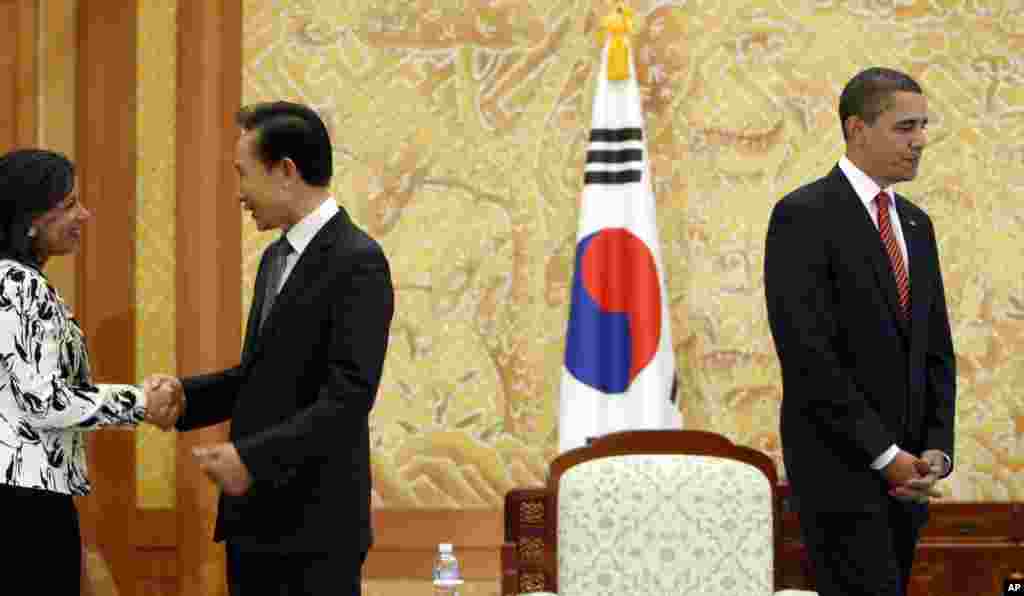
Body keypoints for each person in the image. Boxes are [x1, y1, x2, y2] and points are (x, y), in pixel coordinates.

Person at [154, 101, 394, 596]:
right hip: (254, 525)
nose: (239, 194)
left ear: (286, 171)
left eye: (243, 175)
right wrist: (186, 397)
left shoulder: (358, 261)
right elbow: (261, 375)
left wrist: (253, 459)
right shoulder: (273, 259)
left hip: (314, 532)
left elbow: (347, 397)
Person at [764, 67, 957, 596]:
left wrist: (936, 451)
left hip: (911, 482)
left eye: (923, 126)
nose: (920, 141)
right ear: (857, 128)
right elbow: (809, 358)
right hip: (840, 472)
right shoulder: (803, 215)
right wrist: (885, 456)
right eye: (904, 127)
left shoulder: (916, 223)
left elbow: (935, 350)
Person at [0, 149, 183, 594]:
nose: (84, 214)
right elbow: (46, 401)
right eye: (68, 205)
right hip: (22, 504)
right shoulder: (18, 285)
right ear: (31, 217)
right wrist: (142, 403)